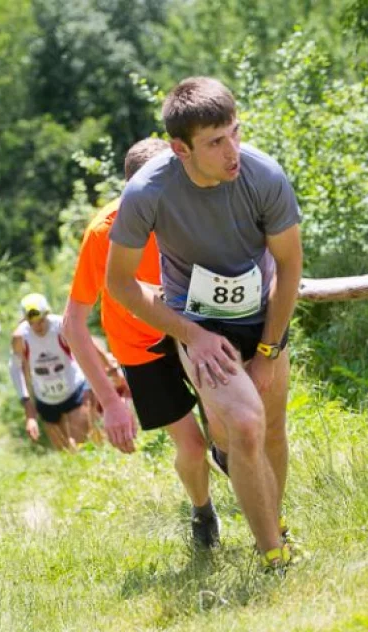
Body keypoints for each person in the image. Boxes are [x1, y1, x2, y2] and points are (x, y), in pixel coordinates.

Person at [106, 77, 303, 569]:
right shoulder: (148, 190)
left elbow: (291, 267)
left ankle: (273, 525)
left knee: (272, 429)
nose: (232, 150)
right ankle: (274, 558)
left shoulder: (264, 176)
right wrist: (190, 334)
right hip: (198, 322)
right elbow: (121, 284)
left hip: (262, 317)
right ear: (181, 148)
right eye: (215, 142)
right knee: (244, 422)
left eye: (235, 132)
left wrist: (268, 350)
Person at [63, 137, 222, 548]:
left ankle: (236, 468)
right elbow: (73, 324)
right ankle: (203, 511)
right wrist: (112, 402)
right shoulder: (104, 233)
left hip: (194, 328)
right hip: (141, 348)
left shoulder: (192, 208)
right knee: (191, 446)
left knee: (228, 434)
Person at [9, 293, 94, 452]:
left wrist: (90, 386)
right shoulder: (20, 337)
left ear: (47, 314)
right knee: (64, 452)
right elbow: (15, 369)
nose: (38, 327)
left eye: (41, 320)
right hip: (45, 398)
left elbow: (85, 351)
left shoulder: (61, 326)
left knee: (83, 445)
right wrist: (27, 405)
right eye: (32, 323)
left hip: (73, 389)